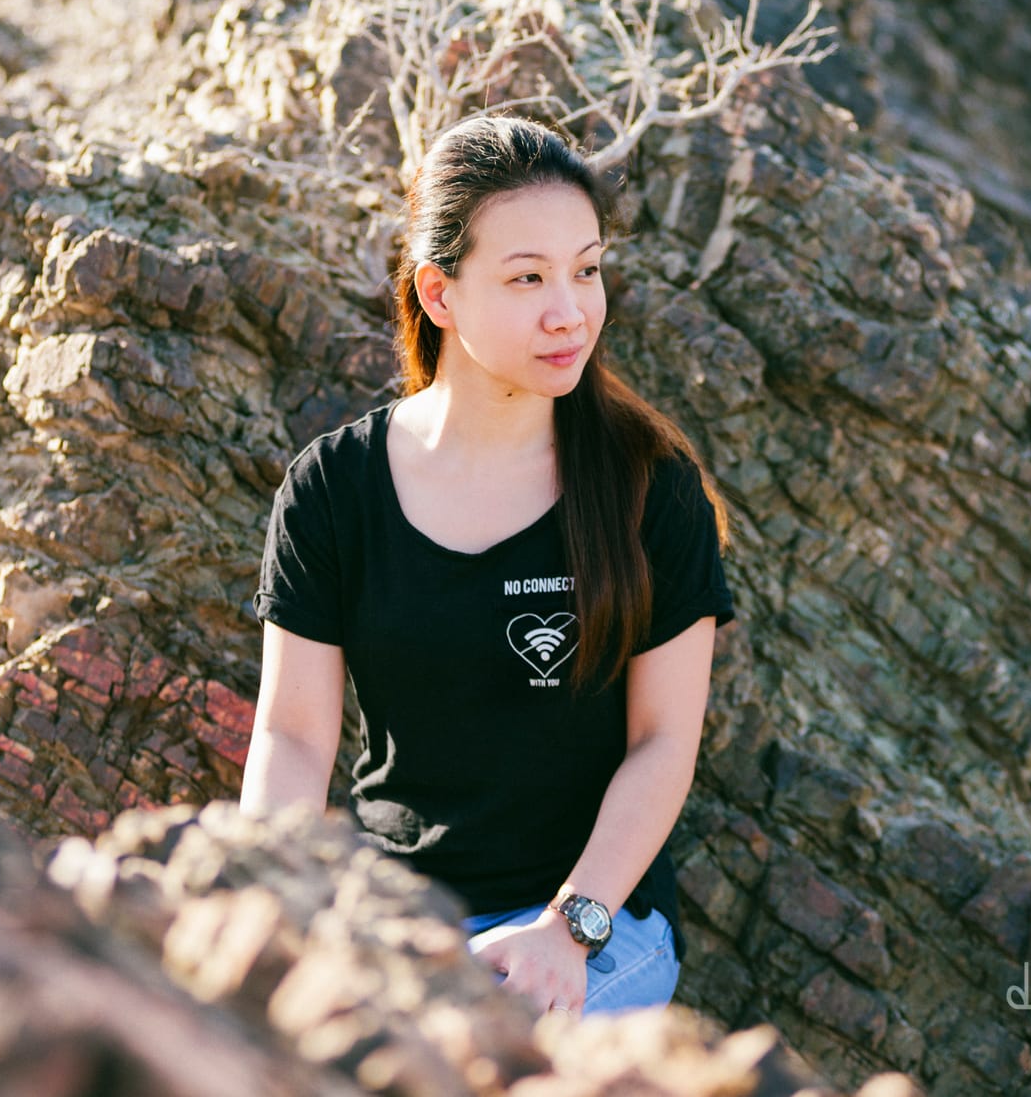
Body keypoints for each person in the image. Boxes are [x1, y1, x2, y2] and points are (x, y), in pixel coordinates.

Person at [239, 113, 736, 1019]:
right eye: (527, 278)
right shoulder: (332, 489)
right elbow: (294, 739)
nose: (570, 310)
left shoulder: (650, 488)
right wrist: (277, 912)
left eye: (586, 270)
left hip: (596, 924)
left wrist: (566, 929)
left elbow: (663, 743)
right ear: (439, 294)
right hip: (398, 918)